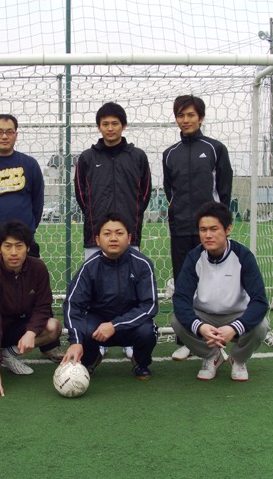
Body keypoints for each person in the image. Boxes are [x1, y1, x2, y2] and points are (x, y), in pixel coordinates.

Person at [0, 113, 63, 363]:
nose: (4, 136)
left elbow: (37, 201)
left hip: (23, 241)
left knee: (34, 291)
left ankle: (48, 344)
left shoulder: (29, 165)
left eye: (9, 131)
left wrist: (26, 234)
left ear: (16, 134)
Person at [74, 102, 152, 360]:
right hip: (96, 236)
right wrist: (97, 223)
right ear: (99, 127)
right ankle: (99, 338)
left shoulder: (137, 156)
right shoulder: (87, 158)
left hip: (129, 235)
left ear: (123, 126)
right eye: (105, 124)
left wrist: (130, 220)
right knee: (96, 290)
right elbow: (81, 195)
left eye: (114, 123)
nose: (110, 128)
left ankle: (128, 334)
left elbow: (144, 194)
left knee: (130, 290)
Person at [162, 95, 233, 361]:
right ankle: (187, 341)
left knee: (212, 283)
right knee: (184, 284)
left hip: (210, 231)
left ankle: (216, 336)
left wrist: (218, 224)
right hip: (181, 228)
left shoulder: (215, 149)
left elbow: (224, 190)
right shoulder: (170, 154)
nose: (186, 120)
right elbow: (170, 191)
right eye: (181, 115)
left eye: (191, 115)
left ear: (200, 118)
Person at [0, 220, 62, 397]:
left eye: (19, 246)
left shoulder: (38, 268)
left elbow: (43, 306)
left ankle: (9, 354)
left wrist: (31, 332)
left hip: (14, 323)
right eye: (8, 246)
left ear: (28, 248)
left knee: (53, 327)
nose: (13, 252)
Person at [171, 201, 269, 382]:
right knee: (177, 321)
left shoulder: (243, 256)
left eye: (214, 229)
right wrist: (199, 326)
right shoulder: (194, 257)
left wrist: (235, 327)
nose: (208, 235)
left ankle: (238, 359)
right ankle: (212, 356)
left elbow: (260, 301)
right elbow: (181, 298)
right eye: (203, 230)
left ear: (228, 229)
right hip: (204, 315)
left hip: (236, 315)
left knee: (261, 326)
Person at [62, 213, 159, 381]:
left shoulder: (142, 264)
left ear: (129, 238)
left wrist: (115, 325)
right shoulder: (89, 267)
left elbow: (149, 306)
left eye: (119, 233)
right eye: (107, 233)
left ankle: (140, 362)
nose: (113, 238)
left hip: (130, 324)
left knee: (147, 331)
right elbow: (73, 305)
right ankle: (91, 359)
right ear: (98, 240)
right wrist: (75, 341)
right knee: (85, 330)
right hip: (98, 326)